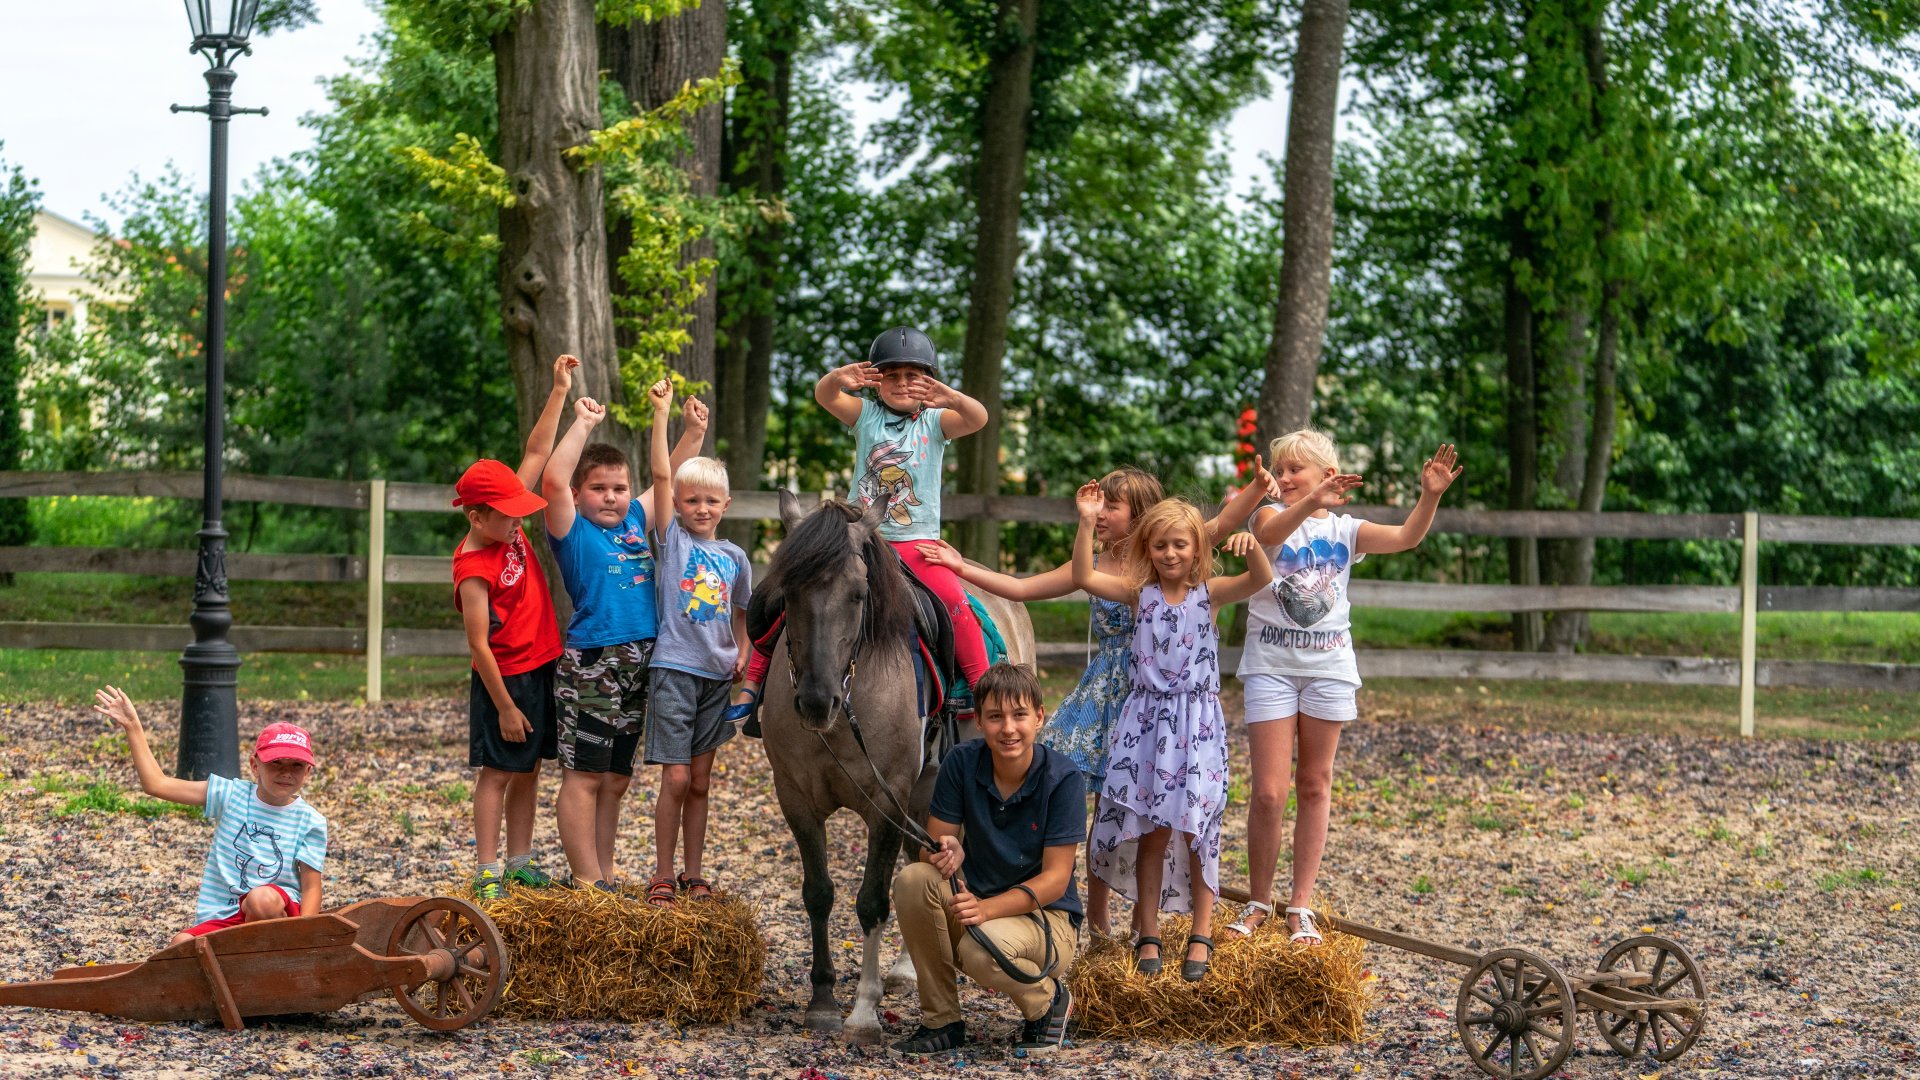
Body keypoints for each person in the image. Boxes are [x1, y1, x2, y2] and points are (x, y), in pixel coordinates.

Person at [913, 460, 1278, 937]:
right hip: (1106, 693)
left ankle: (1144, 917)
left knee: (1147, 810)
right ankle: (1089, 910)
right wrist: (964, 570)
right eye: (1097, 502)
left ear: (1141, 514)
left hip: (1157, 700)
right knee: (1093, 800)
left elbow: (1224, 526)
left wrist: (1255, 489)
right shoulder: (1100, 564)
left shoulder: (1166, 551)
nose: (1100, 511)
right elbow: (1025, 588)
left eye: (1112, 504)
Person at [1225, 431, 1459, 945]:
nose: (1283, 478)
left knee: (1315, 784)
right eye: (1280, 470)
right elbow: (1270, 537)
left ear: (1327, 475)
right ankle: (1258, 901)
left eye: (1295, 471)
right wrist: (1307, 498)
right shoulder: (1266, 515)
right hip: (1271, 667)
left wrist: (1430, 496)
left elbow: (1406, 538)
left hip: (1330, 670)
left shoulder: (1346, 530)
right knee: (1268, 792)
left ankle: (1300, 906)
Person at [728, 327, 991, 727]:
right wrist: (837, 379)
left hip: (918, 544)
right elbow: (825, 396)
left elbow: (979, 419)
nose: (902, 383)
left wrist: (952, 397)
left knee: (953, 600)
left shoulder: (937, 423)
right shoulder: (866, 415)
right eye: (892, 375)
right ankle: (756, 685)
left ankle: (980, 686)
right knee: (782, 595)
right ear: (876, 380)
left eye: (913, 376)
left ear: (929, 381)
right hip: (860, 538)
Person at [1070, 490, 1281, 982]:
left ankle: (1201, 933)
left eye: (1181, 545)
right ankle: (1148, 931)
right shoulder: (1137, 595)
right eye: (1161, 545)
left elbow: (1261, 579)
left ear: (1197, 550)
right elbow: (1082, 577)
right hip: (1145, 726)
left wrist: (1252, 547)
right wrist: (1085, 523)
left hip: (1197, 727)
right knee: (1151, 829)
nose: (1170, 554)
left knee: (1197, 828)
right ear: (1148, 549)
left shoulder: (1210, 593)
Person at [540, 389, 708, 893]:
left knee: (615, 778)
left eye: (618, 487)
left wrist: (693, 434)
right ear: (577, 494)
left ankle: (604, 873)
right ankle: (586, 879)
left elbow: (667, 477)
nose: (611, 497)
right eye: (598, 488)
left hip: (642, 660)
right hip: (595, 659)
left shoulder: (635, 520)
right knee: (584, 775)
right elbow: (551, 478)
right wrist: (584, 423)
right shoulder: (569, 529)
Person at [891, 663, 1082, 1056]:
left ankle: (1049, 1002)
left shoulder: (1062, 779)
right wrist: (948, 849)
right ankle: (942, 1021)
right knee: (914, 878)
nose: (1008, 728)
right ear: (978, 721)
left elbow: (1055, 881)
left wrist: (986, 909)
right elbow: (933, 845)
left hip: (1046, 920)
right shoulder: (962, 762)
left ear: (1039, 717)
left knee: (980, 950)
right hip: (978, 908)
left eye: (1019, 715)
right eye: (995, 717)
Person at [452, 354, 576, 901]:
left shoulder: (507, 522)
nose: (519, 521)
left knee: (529, 769)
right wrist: (503, 705)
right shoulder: (472, 565)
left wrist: (557, 390)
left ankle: (521, 861)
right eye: (507, 515)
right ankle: (487, 869)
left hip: (542, 662)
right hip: (505, 678)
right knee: (498, 772)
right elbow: (478, 643)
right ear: (476, 516)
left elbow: (534, 450)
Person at [93, 687, 328, 945]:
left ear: (307, 772)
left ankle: (271, 957)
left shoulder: (310, 821)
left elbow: (311, 887)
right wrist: (133, 726)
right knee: (180, 946)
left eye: (296, 766)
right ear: (254, 766)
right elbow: (157, 784)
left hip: (276, 912)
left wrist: (307, 938)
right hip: (227, 914)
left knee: (261, 900)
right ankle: (235, 965)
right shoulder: (231, 795)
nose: (286, 772)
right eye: (276, 763)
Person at [643, 379, 752, 909]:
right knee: (678, 777)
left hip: (716, 677)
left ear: (725, 504)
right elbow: (662, 473)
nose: (701, 508)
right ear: (679, 506)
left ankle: (693, 873)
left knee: (703, 781)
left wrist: (745, 653)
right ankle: (662, 872)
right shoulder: (673, 542)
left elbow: (742, 614)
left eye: (710, 501)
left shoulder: (734, 556)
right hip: (674, 670)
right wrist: (667, 417)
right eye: (692, 501)